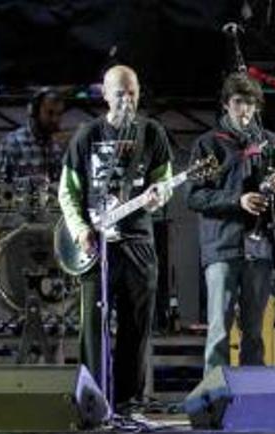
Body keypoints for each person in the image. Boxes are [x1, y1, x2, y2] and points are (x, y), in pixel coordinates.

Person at [58, 65, 174, 411]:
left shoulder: (152, 133)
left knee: (135, 327)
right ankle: (93, 400)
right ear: (105, 94)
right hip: (97, 247)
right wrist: (80, 230)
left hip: (138, 242)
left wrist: (160, 196)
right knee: (93, 328)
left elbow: (164, 183)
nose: (128, 99)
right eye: (120, 92)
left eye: (133, 92)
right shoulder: (87, 134)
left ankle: (128, 401)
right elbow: (68, 191)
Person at [187, 72, 275, 374]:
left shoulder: (273, 143)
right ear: (225, 105)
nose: (245, 109)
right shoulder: (208, 144)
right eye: (239, 102)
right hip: (222, 247)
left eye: (251, 103)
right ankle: (214, 402)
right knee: (219, 330)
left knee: (256, 333)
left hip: (259, 248)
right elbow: (193, 197)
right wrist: (238, 200)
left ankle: (252, 401)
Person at [0, 87, 66, 181]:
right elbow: (4, 185)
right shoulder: (13, 142)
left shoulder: (60, 145)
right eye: (50, 113)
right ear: (34, 112)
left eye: (59, 114)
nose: (55, 120)